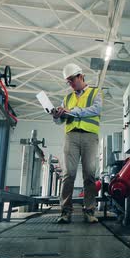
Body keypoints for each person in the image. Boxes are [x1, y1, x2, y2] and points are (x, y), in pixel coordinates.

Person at [52, 63, 102, 224]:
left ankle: (89, 211)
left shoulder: (95, 92)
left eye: (72, 80)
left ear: (81, 76)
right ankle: (65, 212)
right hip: (71, 137)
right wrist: (57, 115)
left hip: (89, 137)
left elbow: (96, 109)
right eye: (68, 82)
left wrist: (73, 111)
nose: (71, 84)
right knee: (69, 174)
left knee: (89, 174)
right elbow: (60, 122)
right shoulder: (67, 98)